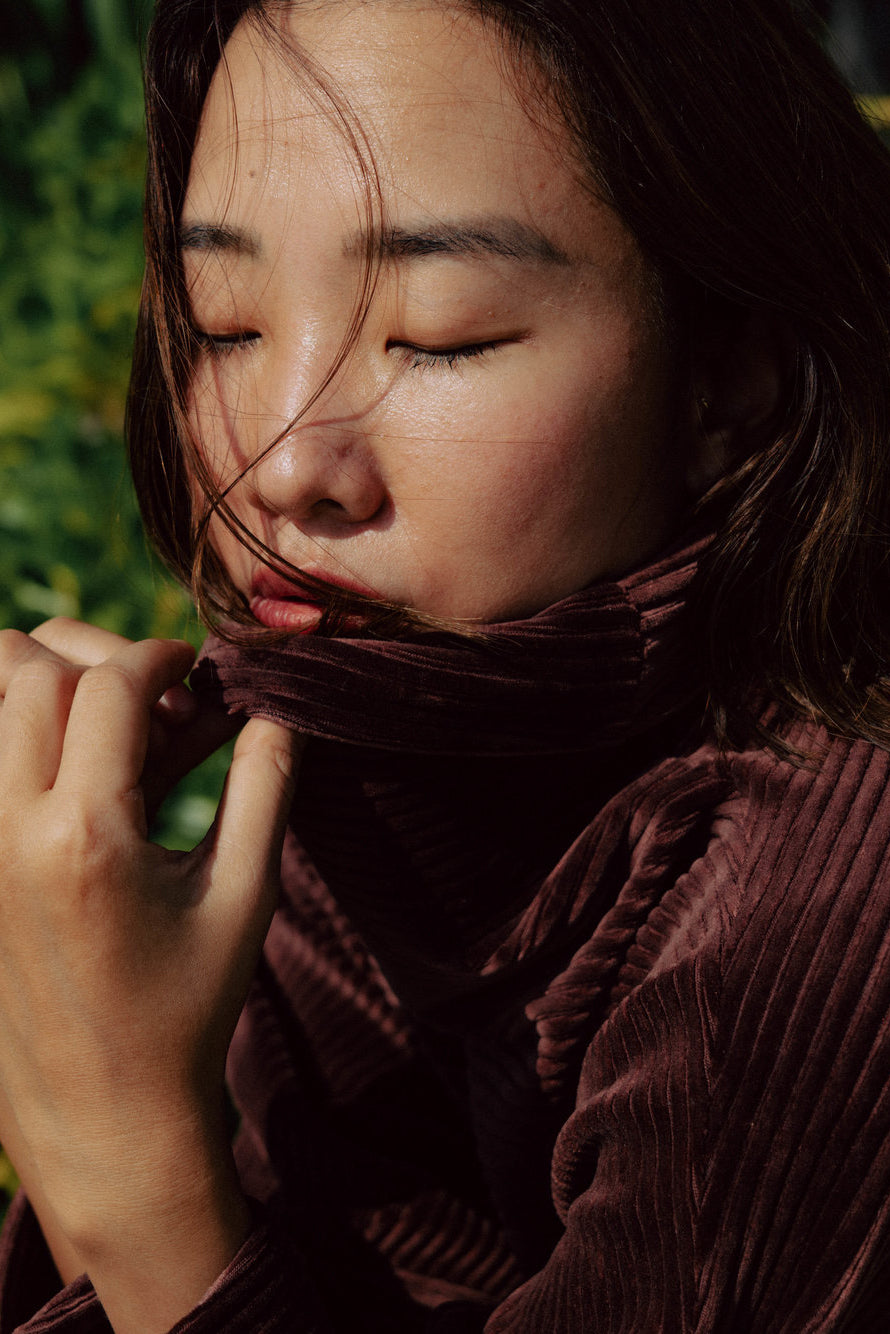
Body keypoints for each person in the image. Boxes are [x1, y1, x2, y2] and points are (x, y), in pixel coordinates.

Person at [0, 0, 890, 1329]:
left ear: (729, 378)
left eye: (438, 333)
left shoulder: (817, 906)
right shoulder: (398, 742)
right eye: (224, 321)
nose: (283, 465)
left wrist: (123, 1162)